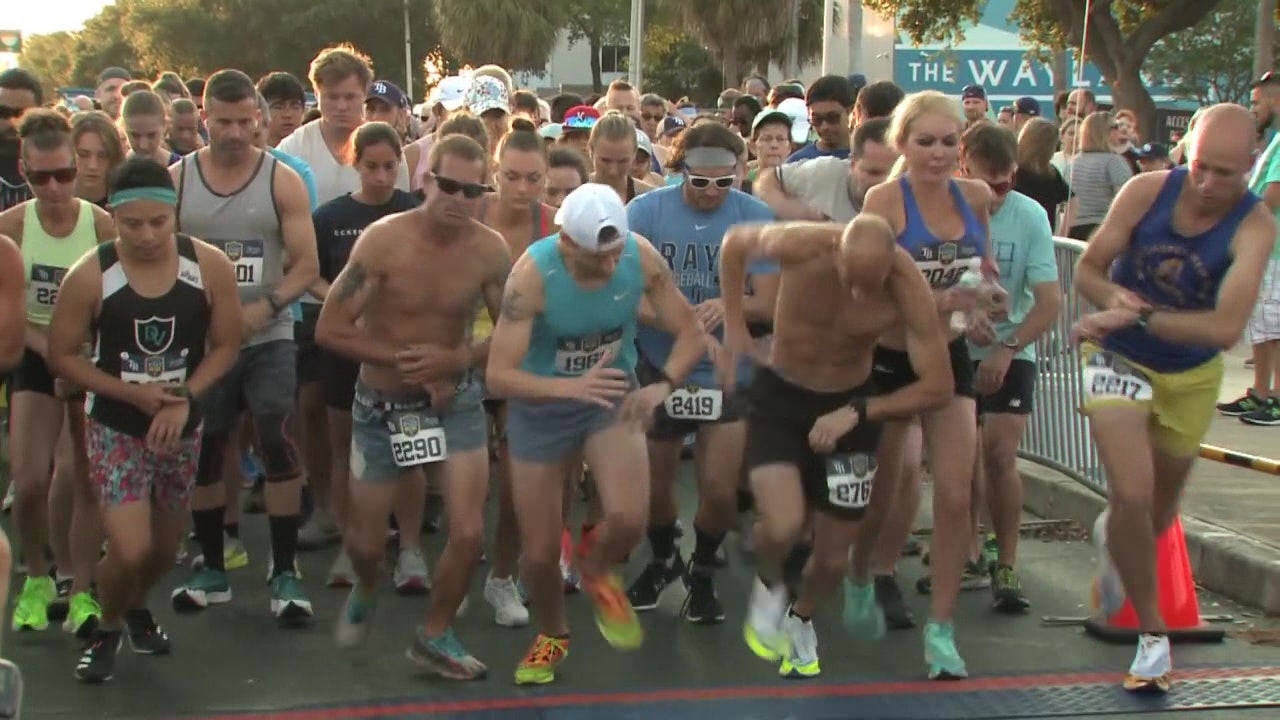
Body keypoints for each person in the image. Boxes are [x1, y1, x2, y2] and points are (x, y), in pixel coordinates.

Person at [1072, 103, 1275, 693]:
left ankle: (1119, 538)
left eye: (1228, 175)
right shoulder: (1144, 192)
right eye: (1204, 168)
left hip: (1190, 374)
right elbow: (1088, 268)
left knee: (1156, 515)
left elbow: (1225, 329)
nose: (1211, 186)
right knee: (1131, 490)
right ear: (1187, 148)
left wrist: (1142, 314)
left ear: (1251, 168)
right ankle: (1152, 639)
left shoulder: (1254, 225)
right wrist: (1112, 299)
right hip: (1117, 356)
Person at [486, 183, 705, 685]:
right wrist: (569, 386)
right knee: (539, 553)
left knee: (629, 520)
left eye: (614, 255)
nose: (609, 268)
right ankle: (552, 634)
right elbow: (498, 375)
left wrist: (662, 386)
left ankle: (597, 568)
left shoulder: (639, 256)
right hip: (542, 408)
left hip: (610, 397)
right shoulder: (531, 277)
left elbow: (690, 330)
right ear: (566, 242)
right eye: (595, 259)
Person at [720, 215, 952, 678]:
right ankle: (770, 581)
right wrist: (734, 323)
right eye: (853, 280)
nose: (861, 295)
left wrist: (860, 412)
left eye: (873, 283)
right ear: (837, 254)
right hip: (781, 397)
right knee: (782, 525)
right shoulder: (803, 245)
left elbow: (939, 385)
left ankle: (802, 618)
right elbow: (733, 246)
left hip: (849, 406)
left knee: (831, 557)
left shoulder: (907, 286)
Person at [318, 134, 509, 680]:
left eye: (473, 190)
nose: (459, 198)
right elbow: (331, 328)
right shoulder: (382, 241)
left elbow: (514, 330)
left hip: (455, 398)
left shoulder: (490, 249)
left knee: (469, 532)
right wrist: (408, 363)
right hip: (382, 402)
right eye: (448, 185)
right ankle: (368, 582)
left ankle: (435, 632)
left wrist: (456, 360)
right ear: (425, 180)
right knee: (365, 541)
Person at [47, 157, 241, 683]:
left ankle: (133, 607)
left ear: (176, 214)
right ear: (113, 216)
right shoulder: (92, 273)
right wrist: (130, 396)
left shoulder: (208, 266)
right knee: (131, 549)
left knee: (161, 549)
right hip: (117, 423)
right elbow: (62, 355)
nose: (147, 234)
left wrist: (184, 395)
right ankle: (110, 626)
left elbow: (226, 344)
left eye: (159, 221)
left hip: (180, 421)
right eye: (132, 223)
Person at [167, 69, 319, 624]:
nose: (234, 133)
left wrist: (267, 307)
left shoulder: (280, 180)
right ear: (203, 118)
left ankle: (284, 570)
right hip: (205, 342)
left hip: (268, 333)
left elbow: (307, 265)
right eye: (222, 121)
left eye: (243, 121)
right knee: (205, 446)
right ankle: (211, 565)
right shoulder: (178, 181)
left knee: (277, 431)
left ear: (257, 119)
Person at [850, 91, 993, 680]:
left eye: (949, 141)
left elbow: (983, 270)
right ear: (902, 145)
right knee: (887, 485)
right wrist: (941, 299)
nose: (938, 154)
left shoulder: (977, 196)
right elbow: (867, 299)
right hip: (889, 355)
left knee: (956, 495)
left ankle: (941, 629)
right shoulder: (884, 201)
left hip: (947, 353)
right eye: (925, 142)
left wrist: (985, 300)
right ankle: (862, 572)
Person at [624, 123, 778, 624]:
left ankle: (704, 570)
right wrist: (685, 322)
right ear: (678, 169)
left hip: (725, 371)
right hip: (660, 362)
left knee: (717, 489)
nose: (712, 193)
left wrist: (726, 304)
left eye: (724, 183)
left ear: (739, 172)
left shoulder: (756, 217)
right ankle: (663, 556)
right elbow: (627, 293)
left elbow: (769, 300)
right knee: (655, 480)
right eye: (700, 182)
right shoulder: (645, 212)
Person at [0, 110, 114, 635]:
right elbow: (9, 317)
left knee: (85, 477)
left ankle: (81, 583)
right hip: (36, 351)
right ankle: (37, 576)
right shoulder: (13, 229)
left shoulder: (100, 224)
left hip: (87, 355)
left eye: (64, 175)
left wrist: (81, 362)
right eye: (40, 177)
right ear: (23, 172)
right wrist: (54, 354)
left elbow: (116, 302)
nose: (54, 188)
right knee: (27, 480)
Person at [310, 122, 423, 589]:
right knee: (347, 451)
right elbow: (311, 276)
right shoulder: (329, 216)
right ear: (354, 164)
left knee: (411, 451)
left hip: (402, 350)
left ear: (401, 165)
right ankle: (352, 541)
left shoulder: (415, 212)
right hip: (346, 349)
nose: (380, 177)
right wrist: (345, 308)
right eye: (371, 166)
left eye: (389, 167)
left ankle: (411, 549)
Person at [958, 123, 1061, 613]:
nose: (999, 195)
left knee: (999, 452)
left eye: (1008, 184)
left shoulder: (1030, 216)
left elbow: (1048, 301)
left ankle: (1007, 561)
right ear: (964, 169)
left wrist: (1008, 348)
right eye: (989, 185)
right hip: (954, 345)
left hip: (1011, 346)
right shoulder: (941, 209)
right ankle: (969, 548)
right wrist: (962, 320)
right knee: (962, 458)